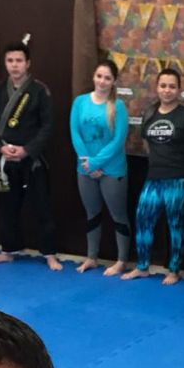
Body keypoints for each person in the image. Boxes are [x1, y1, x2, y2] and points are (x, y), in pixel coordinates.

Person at [0, 42, 60, 271]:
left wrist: (27, 150)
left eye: (19, 61)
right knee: (7, 207)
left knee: (42, 206)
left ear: (28, 63)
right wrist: (0, 148)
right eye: (10, 61)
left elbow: (47, 126)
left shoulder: (40, 91)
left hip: (32, 158)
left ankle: (50, 253)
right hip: (6, 157)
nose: (14, 65)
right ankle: (8, 250)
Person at [122, 69, 184, 285]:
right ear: (157, 88)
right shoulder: (150, 113)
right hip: (153, 178)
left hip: (179, 179)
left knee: (176, 225)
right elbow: (147, 143)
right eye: (163, 86)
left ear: (179, 89)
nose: (167, 90)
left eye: (172, 86)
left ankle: (174, 270)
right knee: (143, 219)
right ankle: (142, 266)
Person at [70, 59, 130, 276]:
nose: (102, 81)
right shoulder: (80, 102)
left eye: (107, 78)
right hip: (85, 169)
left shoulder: (118, 106)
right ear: (94, 77)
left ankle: (121, 260)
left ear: (113, 81)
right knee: (92, 214)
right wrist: (87, 163)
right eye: (99, 76)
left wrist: (96, 163)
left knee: (118, 215)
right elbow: (75, 133)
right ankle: (92, 257)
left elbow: (118, 140)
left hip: (111, 170)